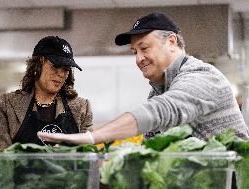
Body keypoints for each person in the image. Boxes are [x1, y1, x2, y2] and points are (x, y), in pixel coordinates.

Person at [37, 12, 249, 145]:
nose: (139, 59)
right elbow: (151, 145)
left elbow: (163, 110)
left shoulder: (202, 77)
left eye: (144, 48)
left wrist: (92, 137)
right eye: (134, 52)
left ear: (172, 42)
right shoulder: (159, 89)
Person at [0, 36, 93, 152]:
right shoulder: (7, 105)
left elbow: (88, 158)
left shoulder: (82, 108)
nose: (61, 74)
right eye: (56, 66)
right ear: (37, 66)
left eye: (66, 69)